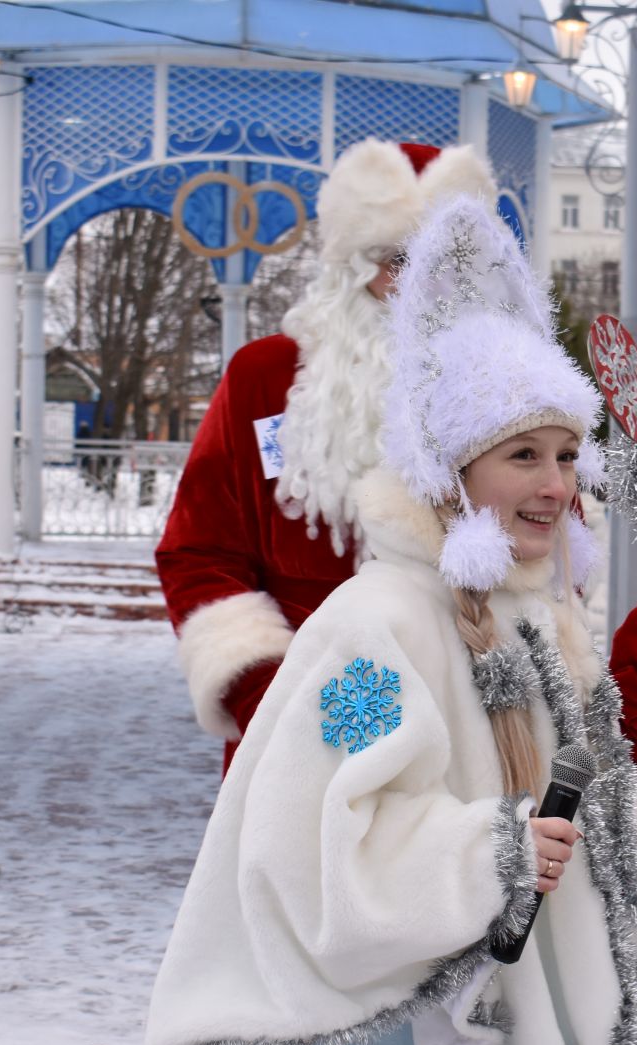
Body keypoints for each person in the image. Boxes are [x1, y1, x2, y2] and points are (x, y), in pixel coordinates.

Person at [143, 195, 637, 1045]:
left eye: (568, 453)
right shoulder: (365, 630)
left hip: (554, 1011)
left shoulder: (548, 615)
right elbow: (341, 801)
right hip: (406, 1024)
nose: (554, 484)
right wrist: (486, 849)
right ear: (449, 468)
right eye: (522, 453)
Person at [155, 139, 497, 771]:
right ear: (348, 260)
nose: (414, 282)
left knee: (452, 866)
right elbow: (199, 552)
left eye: (437, 259)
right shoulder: (265, 378)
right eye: (394, 257)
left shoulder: (510, 384)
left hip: (470, 714)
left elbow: (560, 548)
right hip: (295, 707)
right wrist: (273, 693)